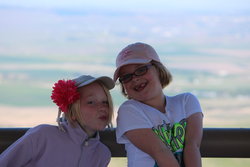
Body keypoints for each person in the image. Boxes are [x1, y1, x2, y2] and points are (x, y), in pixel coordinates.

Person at [114, 42, 203, 167]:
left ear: (158, 69)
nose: (134, 79)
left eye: (141, 70)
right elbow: (159, 151)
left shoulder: (186, 101)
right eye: (126, 77)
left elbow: (192, 146)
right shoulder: (129, 110)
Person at [0, 75, 115, 167]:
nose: (102, 107)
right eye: (91, 102)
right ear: (72, 111)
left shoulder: (102, 154)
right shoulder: (42, 136)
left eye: (105, 102)